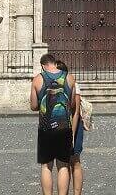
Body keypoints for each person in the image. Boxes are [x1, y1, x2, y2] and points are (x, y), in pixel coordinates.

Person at [31, 53, 77, 195]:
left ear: (43, 65)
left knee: (46, 166)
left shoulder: (38, 79)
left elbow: (33, 106)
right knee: (63, 165)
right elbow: (73, 103)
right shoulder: (69, 77)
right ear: (54, 63)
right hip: (65, 127)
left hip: (46, 128)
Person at [56, 61, 86, 195]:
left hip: (73, 127)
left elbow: (76, 112)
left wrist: (71, 135)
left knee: (74, 160)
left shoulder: (73, 85)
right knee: (62, 163)